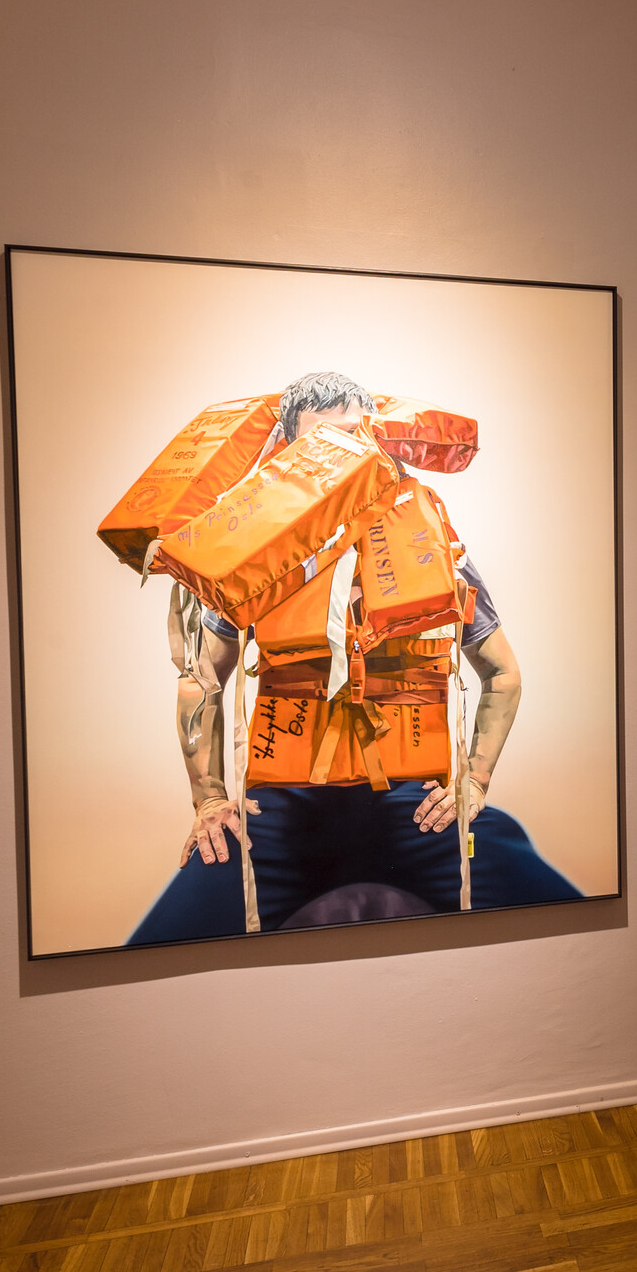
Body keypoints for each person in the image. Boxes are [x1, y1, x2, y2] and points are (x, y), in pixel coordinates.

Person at [126, 372, 581, 945]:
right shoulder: (250, 560)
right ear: (287, 450)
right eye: (319, 443)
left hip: (412, 803)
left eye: (350, 437)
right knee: (168, 933)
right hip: (286, 807)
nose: (337, 457)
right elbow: (200, 681)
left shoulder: (432, 543)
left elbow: (502, 673)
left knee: (541, 891)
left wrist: (475, 780)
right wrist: (210, 799)